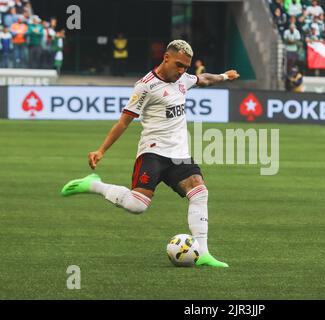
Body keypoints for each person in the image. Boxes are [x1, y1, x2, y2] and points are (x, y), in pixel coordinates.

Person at [61, 40, 240, 268]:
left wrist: (225, 76)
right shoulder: (145, 86)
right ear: (165, 58)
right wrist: (101, 150)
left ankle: (203, 252)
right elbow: (124, 122)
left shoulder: (184, 79)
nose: (182, 70)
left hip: (179, 154)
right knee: (138, 205)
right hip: (153, 153)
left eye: (186, 66)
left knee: (199, 191)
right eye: (178, 65)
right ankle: (94, 185)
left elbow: (204, 79)